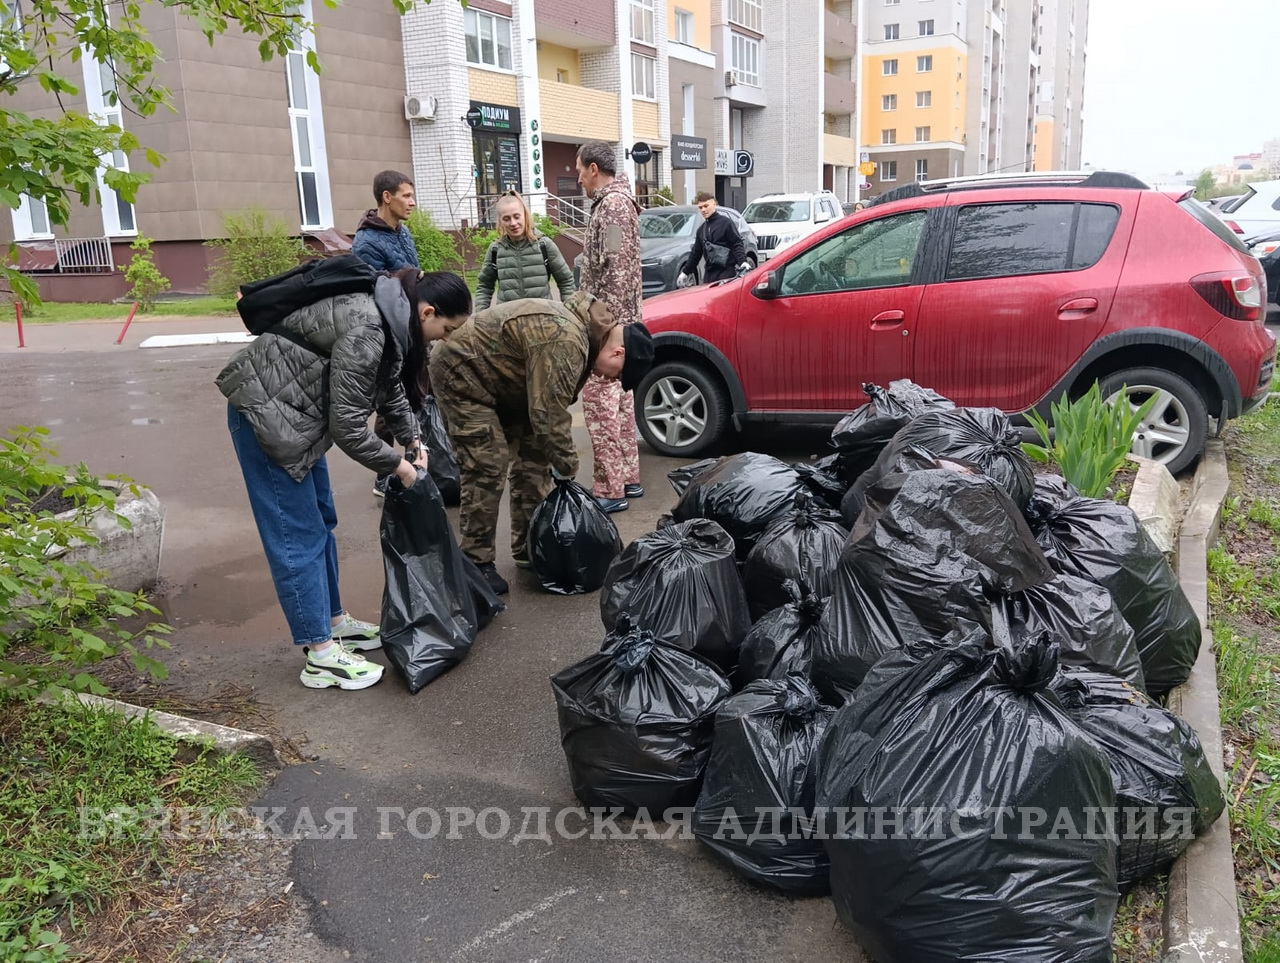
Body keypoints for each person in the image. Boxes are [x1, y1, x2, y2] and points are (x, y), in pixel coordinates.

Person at [216, 270, 471, 691]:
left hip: (297, 414)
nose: (442, 338)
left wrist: (412, 437)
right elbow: (349, 429)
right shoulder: (370, 326)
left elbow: (387, 382)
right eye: (446, 328)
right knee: (295, 533)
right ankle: (320, 656)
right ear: (428, 311)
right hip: (266, 414)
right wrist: (399, 466)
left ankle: (333, 621)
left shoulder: (392, 316)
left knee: (321, 519)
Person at [429, 292, 654, 596]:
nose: (610, 380)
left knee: (535, 459)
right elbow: (548, 416)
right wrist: (569, 467)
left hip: (507, 382)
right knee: (487, 464)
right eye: (618, 377)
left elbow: (544, 419)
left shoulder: (584, 341)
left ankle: (528, 548)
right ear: (618, 353)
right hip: (461, 372)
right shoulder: (567, 341)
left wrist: (557, 463)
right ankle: (475, 562)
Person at [575, 141, 645, 515]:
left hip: (609, 329)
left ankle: (609, 488)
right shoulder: (616, 203)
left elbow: (616, 270)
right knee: (619, 405)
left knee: (602, 407)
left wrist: (607, 332)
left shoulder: (613, 207)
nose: (578, 177)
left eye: (579, 170)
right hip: (619, 326)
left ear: (593, 169)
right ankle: (628, 478)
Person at [475, 190, 576, 310]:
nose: (513, 223)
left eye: (517, 216)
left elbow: (566, 281)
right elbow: (484, 286)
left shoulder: (544, 245)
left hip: (543, 321)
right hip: (508, 323)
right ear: (500, 221)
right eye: (506, 219)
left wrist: (570, 312)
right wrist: (481, 317)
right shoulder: (495, 250)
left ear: (525, 215)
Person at [351, 170, 420, 272]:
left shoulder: (403, 231)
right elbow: (376, 286)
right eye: (406, 196)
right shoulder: (367, 244)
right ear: (387, 197)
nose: (412, 203)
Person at [677, 191, 749, 287]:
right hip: (710, 276)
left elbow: (736, 244)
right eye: (700, 207)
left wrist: (743, 262)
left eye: (706, 206)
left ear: (714, 204)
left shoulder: (726, 223)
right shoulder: (701, 230)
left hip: (727, 274)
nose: (703, 210)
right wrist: (685, 272)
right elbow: (696, 253)